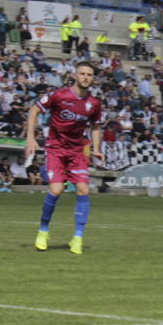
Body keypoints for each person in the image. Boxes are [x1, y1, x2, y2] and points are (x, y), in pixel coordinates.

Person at [25, 62, 103, 255]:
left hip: (76, 152)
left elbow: (96, 127)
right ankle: (43, 231)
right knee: (56, 190)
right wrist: (30, 137)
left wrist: (97, 148)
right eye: (82, 73)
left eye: (89, 74)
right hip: (55, 149)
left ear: (93, 78)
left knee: (84, 190)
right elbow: (34, 110)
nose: (86, 77)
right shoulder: (58, 95)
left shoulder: (94, 104)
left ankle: (77, 238)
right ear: (75, 75)